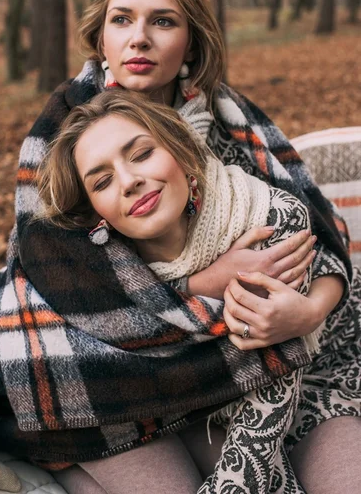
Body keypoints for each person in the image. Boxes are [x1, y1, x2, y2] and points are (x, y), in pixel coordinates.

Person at [0, 0, 359, 494]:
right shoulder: (66, 132)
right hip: (130, 375)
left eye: (163, 21)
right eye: (121, 20)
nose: (139, 38)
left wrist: (307, 311)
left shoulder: (232, 123)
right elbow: (55, 272)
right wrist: (204, 283)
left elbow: (321, 234)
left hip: (268, 359)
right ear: (100, 37)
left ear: (192, 41)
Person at [36, 88, 325, 493]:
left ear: (181, 152)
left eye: (141, 154)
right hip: (170, 406)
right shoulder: (100, 269)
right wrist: (193, 286)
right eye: (102, 181)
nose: (130, 181)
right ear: (94, 214)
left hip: (284, 392)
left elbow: (273, 387)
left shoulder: (266, 221)